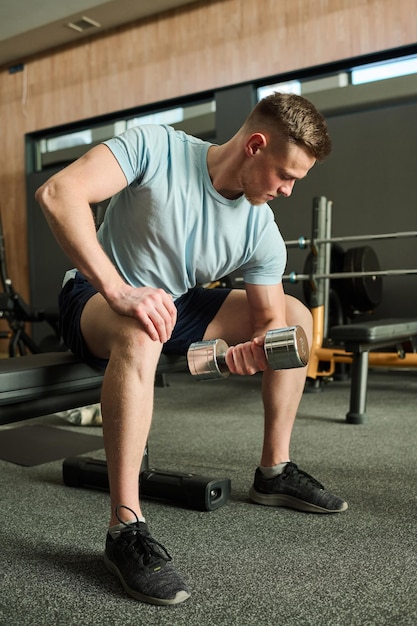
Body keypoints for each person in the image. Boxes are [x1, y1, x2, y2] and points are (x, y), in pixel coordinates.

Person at [35, 92, 347, 607]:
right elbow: (58, 193)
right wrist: (118, 289)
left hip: (174, 305)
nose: (288, 191)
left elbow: (270, 322)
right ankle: (125, 529)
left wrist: (253, 350)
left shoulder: (259, 226)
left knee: (292, 312)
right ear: (255, 145)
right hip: (96, 297)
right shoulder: (156, 148)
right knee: (141, 330)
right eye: (285, 175)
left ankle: (274, 471)